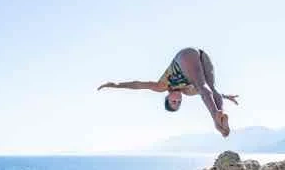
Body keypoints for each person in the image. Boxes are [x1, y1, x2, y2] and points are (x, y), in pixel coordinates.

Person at [98, 47, 238, 137]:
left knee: (202, 87)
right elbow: (209, 94)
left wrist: (116, 85)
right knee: (212, 89)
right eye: (178, 102)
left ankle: (216, 120)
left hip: (184, 57)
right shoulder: (188, 91)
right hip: (203, 56)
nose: (177, 99)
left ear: (167, 97)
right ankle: (221, 114)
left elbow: (138, 84)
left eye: (173, 101)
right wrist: (226, 96)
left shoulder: (161, 86)